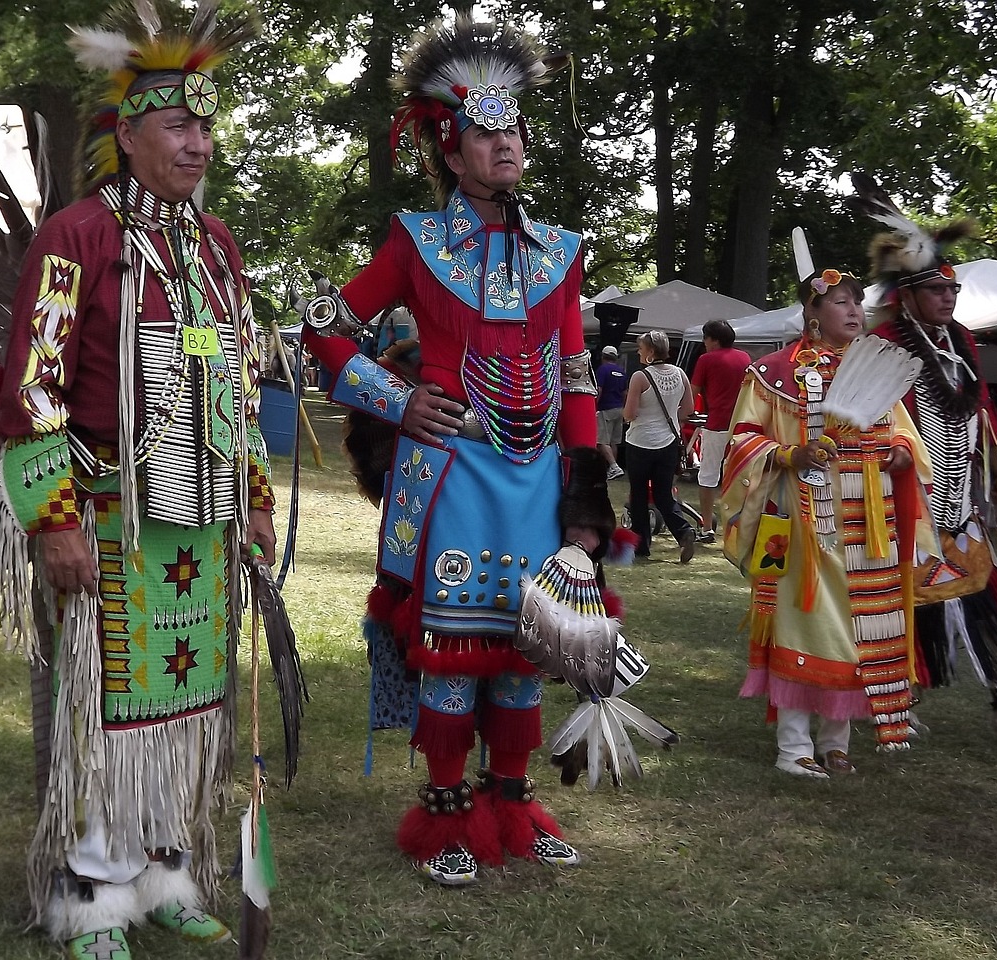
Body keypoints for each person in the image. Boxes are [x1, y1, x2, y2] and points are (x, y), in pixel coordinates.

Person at [0, 6, 276, 957]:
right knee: (102, 707)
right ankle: (93, 894)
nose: (198, 143)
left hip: (197, 519)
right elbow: (32, 385)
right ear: (129, 135)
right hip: (104, 513)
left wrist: (257, 499)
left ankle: (165, 870)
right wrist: (52, 516)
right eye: (178, 127)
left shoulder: (217, 248)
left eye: (205, 126)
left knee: (189, 703)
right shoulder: (78, 237)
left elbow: (234, 380)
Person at [299, 13, 616, 886]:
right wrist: (400, 401)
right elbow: (324, 328)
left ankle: (512, 803)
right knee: (451, 653)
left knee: (524, 653)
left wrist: (585, 509)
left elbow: (579, 375)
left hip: (536, 480)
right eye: (485, 131)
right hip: (450, 479)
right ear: (450, 149)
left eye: (513, 127)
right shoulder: (415, 240)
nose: (505, 142)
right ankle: (444, 817)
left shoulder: (562, 252)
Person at [854, 185, 997, 735]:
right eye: (937, 289)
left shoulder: (960, 340)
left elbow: (980, 415)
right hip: (904, 505)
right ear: (908, 294)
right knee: (906, 605)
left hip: (960, 503)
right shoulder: (885, 343)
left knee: (982, 595)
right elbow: (870, 419)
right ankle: (895, 701)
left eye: (953, 289)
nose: (949, 297)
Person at [721, 265, 930, 778]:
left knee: (863, 629)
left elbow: (905, 434)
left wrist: (903, 453)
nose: (854, 310)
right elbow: (741, 440)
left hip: (869, 523)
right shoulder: (773, 372)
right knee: (804, 623)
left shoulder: (878, 372)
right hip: (801, 522)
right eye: (839, 302)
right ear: (811, 312)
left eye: (858, 302)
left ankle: (838, 739)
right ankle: (794, 747)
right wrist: (789, 455)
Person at [623, 330, 697, 562]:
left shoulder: (640, 377)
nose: (638, 352)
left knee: (639, 495)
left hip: (640, 442)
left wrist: (631, 416)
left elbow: (630, 413)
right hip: (668, 443)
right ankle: (684, 532)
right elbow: (688, 410)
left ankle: (641, 545)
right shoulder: (680, 374)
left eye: (641, 348)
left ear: (651, 351)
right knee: (664, 494)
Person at [690, 318, 751, 542]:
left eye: (705, 338)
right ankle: (741, 526)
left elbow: (693, 390)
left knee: (708, 476)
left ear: (713, 339)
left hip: (716, 424)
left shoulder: (706, 360)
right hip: (742, 425)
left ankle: (707, 527)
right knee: (740, 476)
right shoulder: (744, 357)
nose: (704, 342)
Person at [596, 344, 628, 479]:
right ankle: (612, 470)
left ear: (603, 356)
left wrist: (594, 405)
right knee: (614, 442)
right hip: (619, 409)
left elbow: (599, 390)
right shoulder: (622, 372)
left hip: (605, 408)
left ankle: (614, 466)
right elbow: (625, 392)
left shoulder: (602, 370)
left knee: (601, 440)